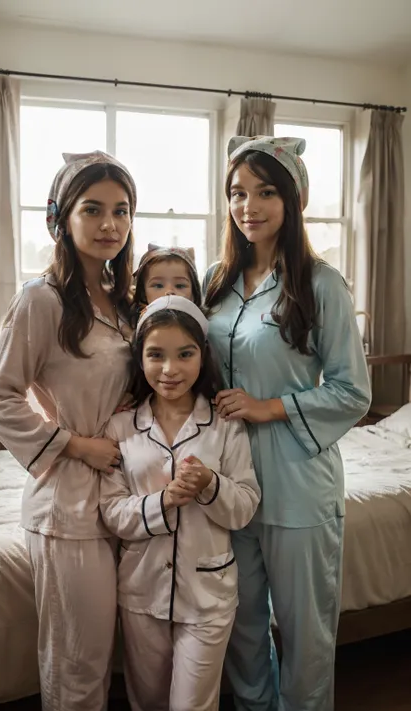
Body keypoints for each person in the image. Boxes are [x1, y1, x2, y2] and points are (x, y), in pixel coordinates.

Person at [203, 136, 371, 711]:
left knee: (305, 637)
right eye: (237, 193)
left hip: (298, 482)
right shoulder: (215, 283)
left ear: (292, 198)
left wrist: (267, 406)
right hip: (230, 483)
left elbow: (354, 390)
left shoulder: (322, 284)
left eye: (265, 192)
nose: (248, 206)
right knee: (243, 628)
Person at [0, 150, 137, 711]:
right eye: (92, 210)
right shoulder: (40, 300)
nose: (109, 225)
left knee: (117, 660)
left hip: (126, 499)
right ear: (62, 219)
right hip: (67, 505)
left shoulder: (124, 307)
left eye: (121, 211)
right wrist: (77, 444)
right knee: (79, 664)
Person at [99, 295, 261, 711]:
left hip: (208, 594)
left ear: (202, 356)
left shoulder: (225, 424)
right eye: (156, 355)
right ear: (140, 358)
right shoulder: (121, 425)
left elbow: (244, 506)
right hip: (141, 591)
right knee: (148, 702)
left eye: (184, 354)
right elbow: (112, 511)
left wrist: (209, 485)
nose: (169, 369)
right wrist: (163, 501)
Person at [130, 243, 201, 325]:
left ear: (194, 293)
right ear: (143, 293)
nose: (169, 292)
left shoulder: (200, 326)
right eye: (158, 286)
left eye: (180, 286)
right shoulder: (134, 327)